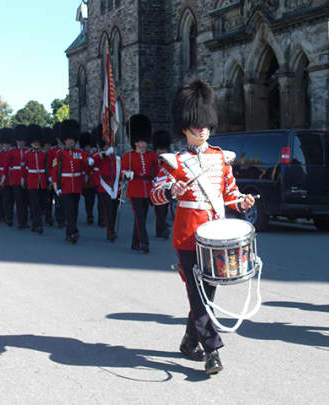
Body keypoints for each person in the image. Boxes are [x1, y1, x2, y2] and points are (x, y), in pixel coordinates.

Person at [150, 75, 254, 375]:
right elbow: (156, 195)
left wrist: (242, 202)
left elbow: (230, 193)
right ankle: (212, 350)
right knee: (198, 294)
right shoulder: (174, 161)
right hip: (187, 236)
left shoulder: (221, 158)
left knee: (206, 295)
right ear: (185, 128)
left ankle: (188, 340)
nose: (203, 129)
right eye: (197, 126)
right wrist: (172, 191)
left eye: (206, 125)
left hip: (217, 236)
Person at [122, 114, 158, 253]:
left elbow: (158, 167)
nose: (144, 143)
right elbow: (122, 172)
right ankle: (144, 242)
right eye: (141, 141)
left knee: (141, 216)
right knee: (140, 217)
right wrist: (126, 174)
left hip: (148, 188)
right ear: (135, 142)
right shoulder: (128, 156)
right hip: (134, 189)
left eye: (145, 141)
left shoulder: (151, 155)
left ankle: (134, 242)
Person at [52, 119, 90, 244]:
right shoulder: (59, 154)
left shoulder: (79, 153)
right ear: (64, 139)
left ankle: (69, 233)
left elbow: (85, 165)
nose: (71, 141)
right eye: (68, 139)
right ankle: (74, 232)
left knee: (74, 210)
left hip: (77, 185)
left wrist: (90, 162)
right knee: (69, 210)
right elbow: (55, 171)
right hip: (65, 185)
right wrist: (56, 186)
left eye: (73, 139)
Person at [24, 124, 48, 234]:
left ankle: (36, 223)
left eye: (38, 141)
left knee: (41, 203)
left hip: (42, 182)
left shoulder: (43, 154)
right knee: (34, 204)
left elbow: (47, 168)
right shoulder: (27, 154)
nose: (36, 143)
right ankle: (37, 224)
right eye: (34, 141)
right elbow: (24, 168)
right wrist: (23, 179)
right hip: (31, 181)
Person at [152, 129, 172, 239]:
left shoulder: (169, 158)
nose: (161, 151)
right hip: (156, 186)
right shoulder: (154, 158)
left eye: (163, 149)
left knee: (164, 208)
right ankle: (163, 228)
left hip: (166, 185)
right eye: (160, 149)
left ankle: (159, 229)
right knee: (159, 208)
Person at [9, 125, 30, 229]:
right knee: (19, 201)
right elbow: (9, 166)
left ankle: (25, 221)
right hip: (16, 179)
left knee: (25, 201)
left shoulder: (28, 151)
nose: (21, 143)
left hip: (26, 179)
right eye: (19, 141)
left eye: (22, 141)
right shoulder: (12, 152)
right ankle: (20, 221)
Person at [80, 132, 97, 225]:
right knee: (87, 199)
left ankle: (90, 214)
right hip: (84, 179)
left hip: (92, 179)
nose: (88, 148)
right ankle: (89, 215)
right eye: (87, 146)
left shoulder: (93, 154)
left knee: (92, 199)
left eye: (89, 146)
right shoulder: (81, 154)